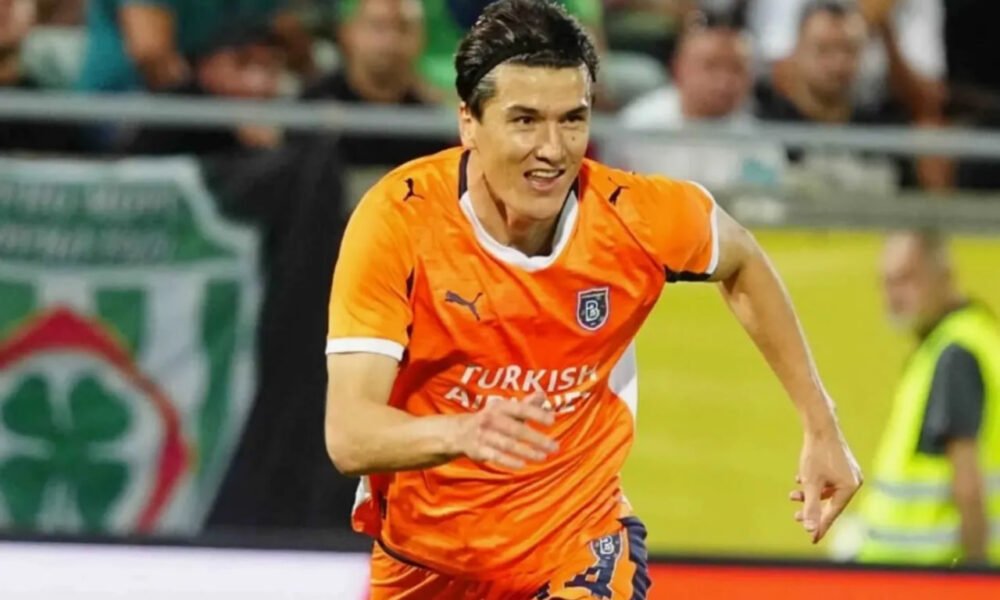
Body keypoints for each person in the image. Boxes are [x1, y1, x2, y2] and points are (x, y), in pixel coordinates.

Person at [324, 1, 862, 598]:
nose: (553, 150)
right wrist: (463, 431)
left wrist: (821, 425)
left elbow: (741, 258)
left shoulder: (634, 216)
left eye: (572, 120)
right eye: (525, 121)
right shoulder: (397, 222)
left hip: (576, 546)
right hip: (424, 561)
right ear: (468, 123)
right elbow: (350, 434)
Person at [855, 231, 1000, 565]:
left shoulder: (954, 353)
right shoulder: (966, 339)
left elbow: (967, 480)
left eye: (906, 279)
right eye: (886, 283)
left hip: (926, 572)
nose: (893, 295)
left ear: (944, 277)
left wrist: (976, 573)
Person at [608, 10, 785, 189]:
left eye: (736, 69)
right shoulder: (637, 127)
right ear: (678, 68)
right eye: (711, 66)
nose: (724, 81)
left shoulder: (761, 147)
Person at [300, 0, 452, 168]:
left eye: (403, 28)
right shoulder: (309, 112)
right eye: (378, 27)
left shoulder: (437, 126)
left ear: (422, 37)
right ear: (347, 33)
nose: (390, 41)